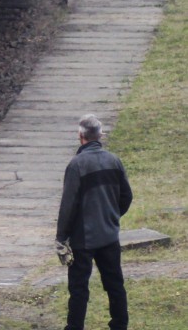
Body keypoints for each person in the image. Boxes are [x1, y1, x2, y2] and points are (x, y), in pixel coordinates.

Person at [56, 114, 132, 330]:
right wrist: (112, 216)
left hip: (83, 239)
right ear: (100, 136)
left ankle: (75, 327)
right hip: (109, 236)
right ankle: (120, 325)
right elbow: (126, 196)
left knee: (79, 289)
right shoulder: (114, 161)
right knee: (115, 284)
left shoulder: (76, 165)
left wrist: (61, 237)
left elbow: (68, 205)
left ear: (80, 136)